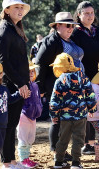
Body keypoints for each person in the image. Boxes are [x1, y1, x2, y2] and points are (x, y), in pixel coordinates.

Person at [35, 12, 81, 160]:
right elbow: (40, 64)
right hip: (55, 87)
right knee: (57, 119)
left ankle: (61, 150)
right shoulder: (51, 41)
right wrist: (40, 89)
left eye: (72, 26)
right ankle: (56, 151)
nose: (70, 28)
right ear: (57, 26)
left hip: (71, 87)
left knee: (65, 120)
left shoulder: (69, 40)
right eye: (67, 25)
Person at [0, 0, 31, 169]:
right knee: (7, 125)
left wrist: (25, 82)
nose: (20, 10)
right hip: (9, 86)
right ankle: (7, 163)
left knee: (12, 123)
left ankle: (12, 161)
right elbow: (3, 62)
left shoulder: (15, 28)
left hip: (19, 85)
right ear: (6, 10)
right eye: (16, 7)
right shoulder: (3, 31)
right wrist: (19, 84)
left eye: (21, 7)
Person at [71, 1, 99, 155]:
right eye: (86, 13)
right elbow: (75, 58)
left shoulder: (98, 31)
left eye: (92, 13)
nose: (90, 16)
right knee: (88, 110)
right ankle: (88, 144)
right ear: (79, 14)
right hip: (85, 78)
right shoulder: (76, 33)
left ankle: (98, 144)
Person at [49, 53, 97, 169]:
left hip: (64, 117)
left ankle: (58, 162)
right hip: (80, 115)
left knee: (63, 138)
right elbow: (90, 94)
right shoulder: (83, 77)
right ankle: (76, 162)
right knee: (78, 138)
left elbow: (54, 99)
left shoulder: (60, 80)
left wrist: (54, 114)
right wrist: (92, 108)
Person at [16, 62, 42, 168]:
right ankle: (23, 159)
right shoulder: (23, 85)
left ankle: (27, 158)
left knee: (31, 137)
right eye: (28, 71)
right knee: (23, 138)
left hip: (33, 116)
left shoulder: (35, 85)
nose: (31, 73)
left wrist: (40, 107)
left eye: (32, 71)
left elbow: (38, 99)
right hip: (24, 115)